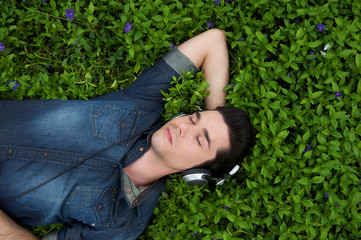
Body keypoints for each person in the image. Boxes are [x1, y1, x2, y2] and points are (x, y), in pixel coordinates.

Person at [0, 29, 254, 240]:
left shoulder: (122, 223)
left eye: (199, 140)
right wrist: (215, 113)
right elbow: (213, 40)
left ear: (197, 173)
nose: (182, 127)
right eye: (193, 118)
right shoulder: (143, 106)